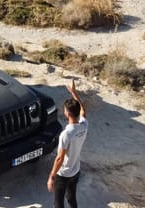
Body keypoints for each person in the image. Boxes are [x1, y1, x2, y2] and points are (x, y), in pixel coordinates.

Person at [48, 79, 88, 208]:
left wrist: (52, 176)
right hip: (75, 171)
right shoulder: (84, 125)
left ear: (67, 113)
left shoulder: (66, 134)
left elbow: (59, 158)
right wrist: (74, 93)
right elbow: (83, 110)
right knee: (71, 199)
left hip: (64, 174)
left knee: (58, 203)